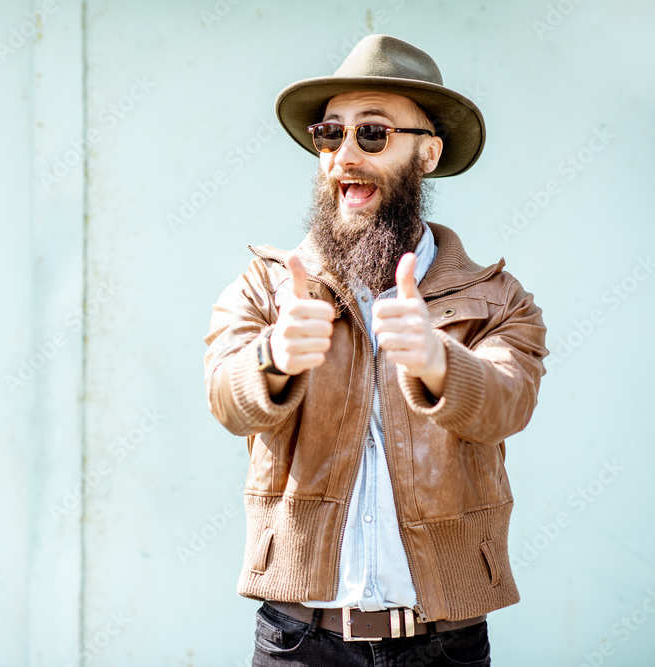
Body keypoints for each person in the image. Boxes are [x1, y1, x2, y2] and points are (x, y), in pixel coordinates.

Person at [202, 34, 548, 666]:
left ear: (427, 153)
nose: (344, 155)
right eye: (330, 134)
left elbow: (508, 402)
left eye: (373, 134)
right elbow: (227, 400)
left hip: (444, 645)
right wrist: (274, 358)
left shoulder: (498, 299)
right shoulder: (266, 286)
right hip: (299, 644)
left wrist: (437, 362)